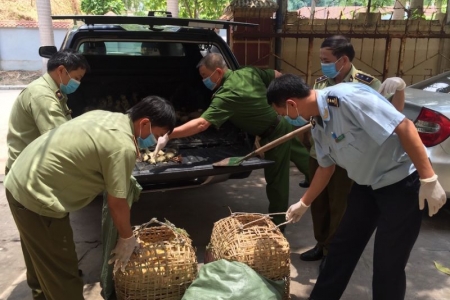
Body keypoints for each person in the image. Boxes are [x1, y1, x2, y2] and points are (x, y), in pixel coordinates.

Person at [267, 74, 446, 300]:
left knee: (388, 263)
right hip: (366, 186)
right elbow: (326, 168)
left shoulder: (347, 99)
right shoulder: (318, 122)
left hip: (401, 184)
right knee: (341, 250)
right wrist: (304, 203)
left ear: (292, 104)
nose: (287, 118)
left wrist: (428, 178)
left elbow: (404, 126)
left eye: (283, 114)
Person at [4, 96, 176, 300]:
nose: (156, 141)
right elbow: (117, 202)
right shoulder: (122, 147)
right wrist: (127, 237)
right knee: (62, 271)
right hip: (37, 197)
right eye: (157, 135)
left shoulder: (106, 117)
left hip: (19, 179)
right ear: (145, 122)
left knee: (40, 256)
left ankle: (41, 294)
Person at [157, 53, 311, 226]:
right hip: (281, 122)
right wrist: (268, 104)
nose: (203, 81)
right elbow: (277, 75)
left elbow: (201, 125)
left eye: (205, 76)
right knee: (302, 156)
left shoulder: (227, 95)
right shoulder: (248, 72)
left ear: (218, 72)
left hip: (273, 133)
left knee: (277, 181)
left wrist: (168, 134)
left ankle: (278, 223)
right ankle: (321, 184)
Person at [299, 35, 406, 271]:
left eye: (325, 59)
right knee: (319, 203)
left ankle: (332, 250)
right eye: (320, 59)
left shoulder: (366, 84)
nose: (322, 64)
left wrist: (399, 88)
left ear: (343, 60)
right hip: (321, 154)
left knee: (340, 204)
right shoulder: (321, 82)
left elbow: (394, 115)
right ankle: (321, 242)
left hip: (347, 157)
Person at [6, 49, 90, 175]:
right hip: (25, 175)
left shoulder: (55, 92)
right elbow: (61, 140)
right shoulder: (42, 96)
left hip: (32, 166)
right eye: (77, 78)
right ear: (61, 70)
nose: (78, 83)